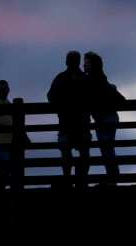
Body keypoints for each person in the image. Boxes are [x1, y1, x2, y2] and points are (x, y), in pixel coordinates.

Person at [47, 51, 91, 186]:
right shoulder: (85, 78)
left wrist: (61, 107)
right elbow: (92, 97)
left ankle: (67, 179)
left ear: (66, 61)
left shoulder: (60, 77)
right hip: (83, 121)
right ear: (78, 62)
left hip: (65, 121)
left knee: (66, 151)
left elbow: (50, 96)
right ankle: (82, 179)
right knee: (84, 151)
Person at [84, 51, 124, 178]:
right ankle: (112, 176)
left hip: (105, 117)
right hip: (104, 118)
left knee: (106, 147)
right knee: (106, 148)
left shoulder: (94, 80)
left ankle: (112, 176)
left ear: (93, 64)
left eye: (86, 63)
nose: (84, 66)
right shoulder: (100, 79)